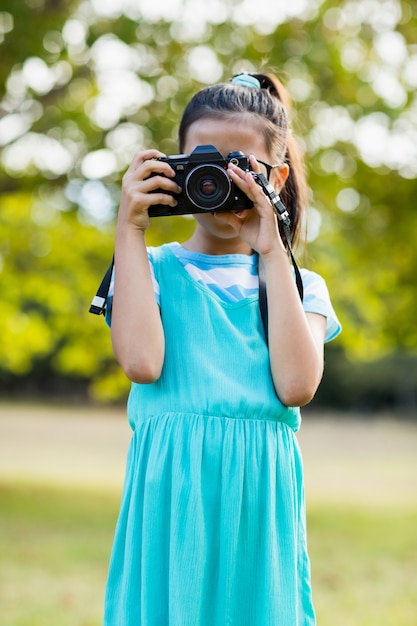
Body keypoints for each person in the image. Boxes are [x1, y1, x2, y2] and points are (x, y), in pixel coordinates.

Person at [103, 71, 341, 626]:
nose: (219, 179)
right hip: (171, 497)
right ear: (176, 166)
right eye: (204, 161)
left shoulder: (300, 285)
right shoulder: (150, 270)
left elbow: (297, 386)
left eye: (242, 167)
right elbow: (142, 364)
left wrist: (273, 250)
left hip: (259, 503)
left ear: (277, 177)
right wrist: (129, 228)